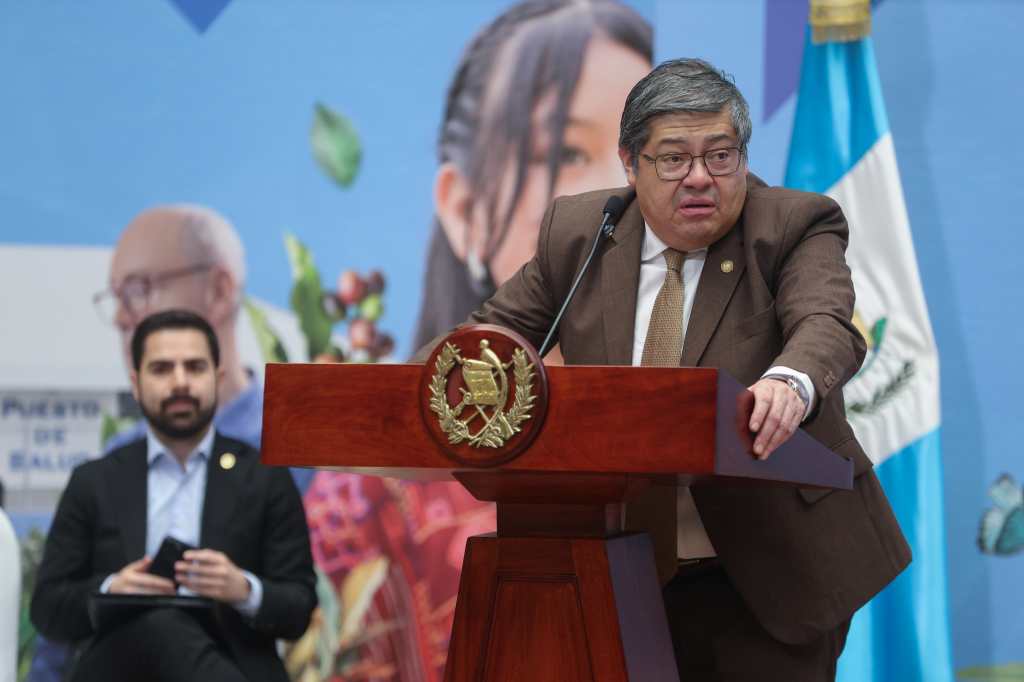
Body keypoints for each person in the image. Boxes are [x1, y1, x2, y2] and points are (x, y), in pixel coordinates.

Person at [416, 58, 911, 681]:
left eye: (721, 156)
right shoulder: (582, 234)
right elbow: (483, 346)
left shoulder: (792, 224)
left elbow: (825, 323)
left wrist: (790, 383)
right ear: (631, 163)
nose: (699, 178)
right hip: (618, 572)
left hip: (769, 572)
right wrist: (410, 389)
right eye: (673, 159)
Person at [30, 310, 316, 682]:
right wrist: (112, 589)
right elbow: (48, 608)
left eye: (195, 367)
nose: (180, 383)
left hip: (233, 662)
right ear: (136, 384)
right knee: (159, 621)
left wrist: (244, 589)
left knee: (168, 625)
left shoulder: (265, 477)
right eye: (162, 369)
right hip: (119, 667)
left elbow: (299, 608)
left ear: (218, 378)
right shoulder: (95, 480)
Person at [412, 0, 652, 352]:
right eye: (567, 153)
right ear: (464, 209)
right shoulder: (393, 383)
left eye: (650, 151)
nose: (624, 187)